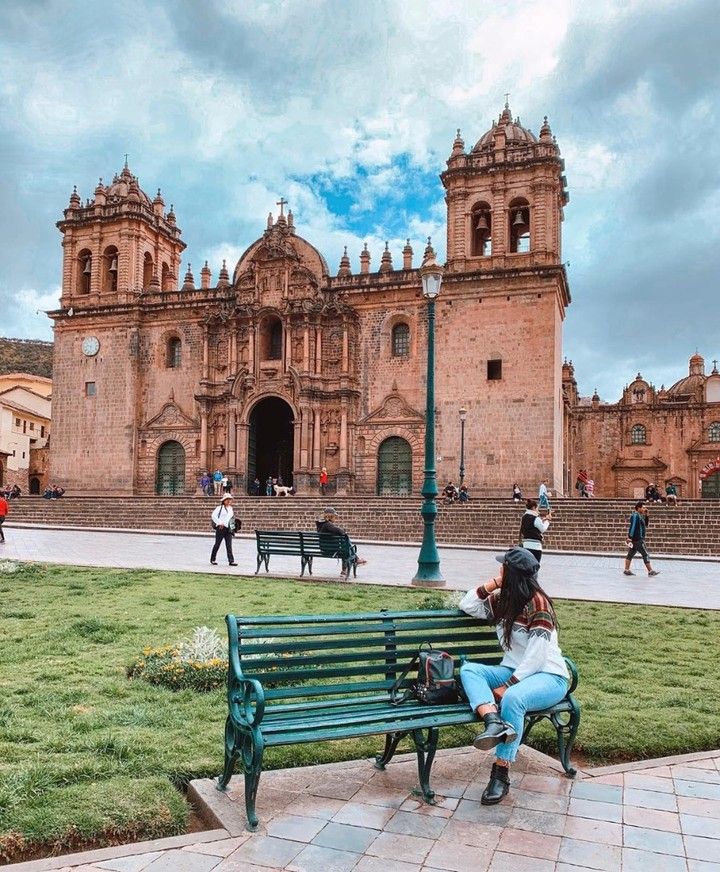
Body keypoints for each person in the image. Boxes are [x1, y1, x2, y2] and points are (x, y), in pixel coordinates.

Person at [459, 547, 569, 805]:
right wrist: (495, 583)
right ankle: (494, 723)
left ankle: (500, 774)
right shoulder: (503, 601)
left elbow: (537, 657)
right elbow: (467, 604)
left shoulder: (537, 603)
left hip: (548, 676)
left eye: (503, 568)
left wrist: (509, 685)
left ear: (513, 574)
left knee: (514, 699)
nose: (499, 570)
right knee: (469, 670)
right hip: (514, 671)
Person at [316, 507, 367, 574]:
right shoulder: (328, 525)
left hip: (324, 549)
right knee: (345, 547)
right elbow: (341, 531)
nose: (335, 518)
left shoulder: (321, 524)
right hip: (330, 550)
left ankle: (355, 560)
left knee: (345, 544)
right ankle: (352, 563)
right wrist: (342, 530)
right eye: (334, 516)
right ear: (331, 516)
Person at [624, 501, 659, 577]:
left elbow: (646, 525)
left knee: (630, 554)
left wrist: (646, 515)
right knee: (645, 554)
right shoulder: (635, 516)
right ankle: (650, 571)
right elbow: (632, 527)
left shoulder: (640, 516)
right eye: (643, 507)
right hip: (638, 539)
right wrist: (629, 537)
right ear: (638, 508)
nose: (644, 509)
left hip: (635, 539)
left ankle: (626, 570)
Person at [519, 499, 551, 563]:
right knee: (535, 566)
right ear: (534, 507)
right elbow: (543, 529)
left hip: (525, 545)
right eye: (537, 508)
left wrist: (543, 519)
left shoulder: (524, 517)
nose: (538, 510)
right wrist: (548, 521)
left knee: (527, 565)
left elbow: (531, 526)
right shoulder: (535, 518)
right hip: (535, 546)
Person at [210, 494, 238, 566]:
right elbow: (213, 516)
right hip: (221, 528)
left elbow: (231, 518)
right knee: (217, 544)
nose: (229, 501)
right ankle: (213, 559)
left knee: (229, 545)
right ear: (223, 500)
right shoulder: (219, 508)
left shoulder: (230, 508)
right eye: (227, 499)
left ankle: (231, 560)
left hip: (228, 528)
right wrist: (219, 523)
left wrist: (232, 528)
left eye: (230, 499)